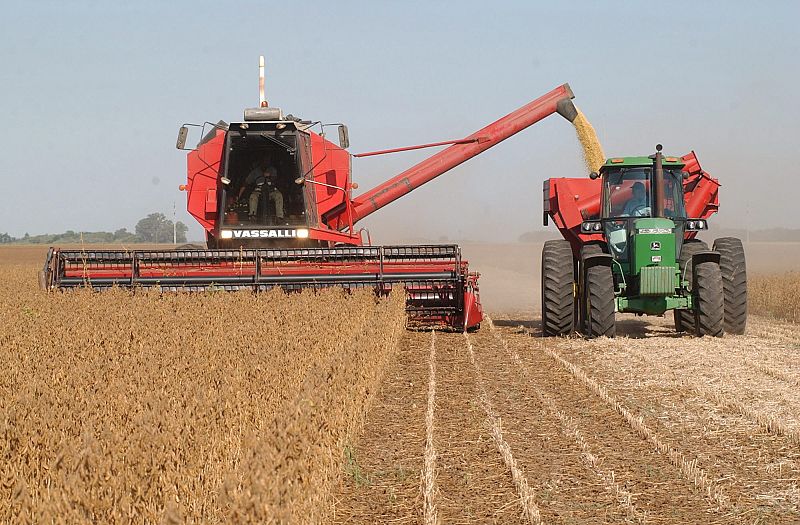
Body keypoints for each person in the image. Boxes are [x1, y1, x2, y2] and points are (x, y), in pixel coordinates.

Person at [238, 157, 284, 223]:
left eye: (267, 161)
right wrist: (239, 196)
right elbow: (246, 183)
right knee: (253, 196)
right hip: (259, 190)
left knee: (279, 195)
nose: (265, 163)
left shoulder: (272, 170)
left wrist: (270, 176)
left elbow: (277, 179)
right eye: (264, 161)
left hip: (271, 189)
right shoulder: (255, 172)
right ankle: (252, 215)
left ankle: (279, 217)